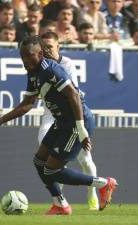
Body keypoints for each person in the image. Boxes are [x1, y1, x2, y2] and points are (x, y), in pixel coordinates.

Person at [0, 35, 117, 215]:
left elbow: (74, 96)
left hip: (76, 122)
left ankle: (103, 184)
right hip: (62, 122)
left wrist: (81, 128)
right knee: (39, 161)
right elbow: (28, 103)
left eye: (29, 55)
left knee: (51, 170)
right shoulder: (33, 72)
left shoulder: (51, 70)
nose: (25, 60)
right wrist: (1, 120)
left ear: (39, 53)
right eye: (22, 55)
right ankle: (60, 204)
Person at [39, 31, 99, 210]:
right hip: (50, 115)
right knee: (51, 159)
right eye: (43, 48)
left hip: (72, 114)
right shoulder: (38, 65)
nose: (46, 51)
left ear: (59, 47)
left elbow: (72, 94)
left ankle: (93, 191)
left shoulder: (67, 64)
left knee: (85, 160)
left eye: (49, 47)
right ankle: (60, 200)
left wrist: (82, 129)